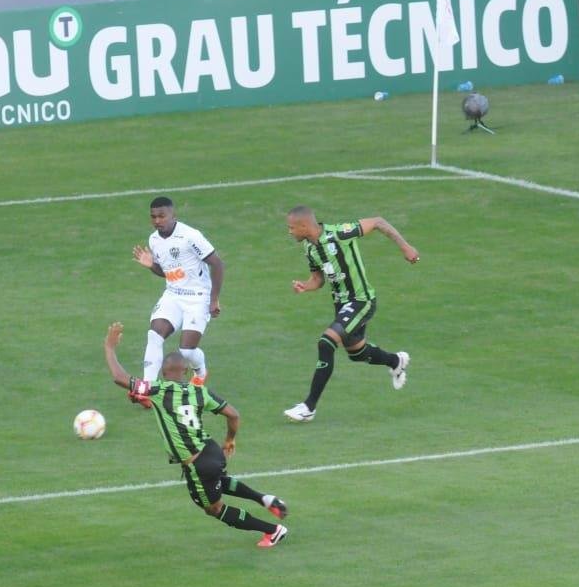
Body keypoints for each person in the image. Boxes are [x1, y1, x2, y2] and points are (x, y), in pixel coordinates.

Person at [104, 321, 289, 548]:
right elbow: (233, 415)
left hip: (196, 464)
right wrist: (229, 439)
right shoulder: (199, 391)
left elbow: (119, 378)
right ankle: (265, 499)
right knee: (217, 480)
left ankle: (273, 531)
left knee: (214, 508)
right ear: (186, 371)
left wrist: (110, 348)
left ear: (163, 372)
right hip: (212, 450)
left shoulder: (158, 390)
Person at [282, 206, 419, 423]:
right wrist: (305, 286)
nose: (289, 232)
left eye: (291, 227)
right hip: (342, 306)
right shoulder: (310, 248)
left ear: (304, 226)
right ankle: (396, 361)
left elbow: (377, 221)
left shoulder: (339, 233)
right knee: (357, 353)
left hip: (361, 301)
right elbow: (318, 280)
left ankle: (309, 407)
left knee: (326, 342)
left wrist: (405, 247)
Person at [131, 196, 224, 404]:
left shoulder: (190, 236)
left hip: (198, 297)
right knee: (154, 335)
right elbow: (168, 272)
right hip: (173, 295)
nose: (157, 221)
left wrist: (213, 299)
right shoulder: (154, 240)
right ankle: (147, 389)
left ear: (174, 215)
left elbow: (217, 264)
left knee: (186, 351)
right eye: (153, 217)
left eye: (162, 216)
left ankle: (200, 372)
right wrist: (151, 265)